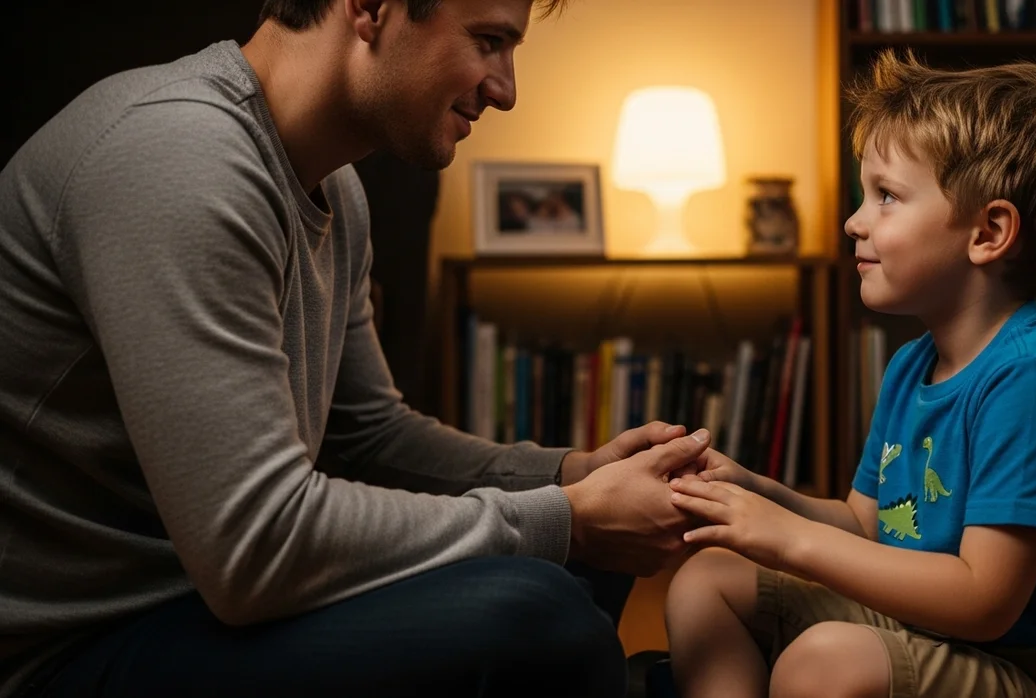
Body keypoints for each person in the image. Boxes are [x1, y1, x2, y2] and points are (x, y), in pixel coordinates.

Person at [0, 0, 710, 696]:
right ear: (370, 9)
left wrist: (570, 477)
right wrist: (569, 518)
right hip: (73, 646)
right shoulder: (177, 158)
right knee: (541, 614)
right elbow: (257, 544)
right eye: (488, 41)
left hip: (198, 600)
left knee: (587, 559)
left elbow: (371, 437)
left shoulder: (337, 188)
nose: (506, 90)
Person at [663, 50, 1036, 698]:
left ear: (989, 232)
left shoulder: (1035, 386)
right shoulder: (913, 364)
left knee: (825, 663)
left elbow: (983, 601)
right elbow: (869, 527)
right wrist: (754, 494)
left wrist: (788, 541)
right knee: (708, 581)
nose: (854, 221)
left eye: (887, 196)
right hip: (939, 635)